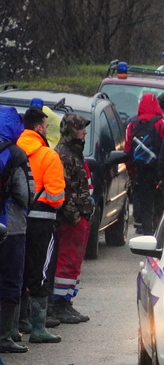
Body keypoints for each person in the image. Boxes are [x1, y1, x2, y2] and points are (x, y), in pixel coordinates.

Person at [17, 107, 64, 343]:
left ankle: (18, 323)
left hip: (16, 219)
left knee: (19, 268)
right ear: (39, 128)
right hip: (42, 221)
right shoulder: (48, 155)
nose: (47, 130)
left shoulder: (13, 150)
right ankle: (38, 328)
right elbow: (56, 196)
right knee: (41, 271)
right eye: (46, 127)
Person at [50, 114, 93, 324]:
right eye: (81, 128)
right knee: (67, 261)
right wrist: (74, 217)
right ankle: (60, 305)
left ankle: (65, 301)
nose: (84, 132)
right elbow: (63, 190)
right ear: (70, 131)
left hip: (77, 217)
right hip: (70, 220)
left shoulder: (73, 153)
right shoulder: (65, 156)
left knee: (73, 262)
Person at [0, 106, 32, 353]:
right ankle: (4, 337)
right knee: (11, 278)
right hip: (11, 227)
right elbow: (23, 192)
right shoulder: (15, 154)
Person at [124, 93, 164, 236]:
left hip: (141, 171)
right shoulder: (163, 123)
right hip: (159, 172)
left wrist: (132, 173)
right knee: (161, 204)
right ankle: (160, 234)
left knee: (145, 204)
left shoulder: (132, 125)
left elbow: (127, 152)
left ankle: (147, 234)